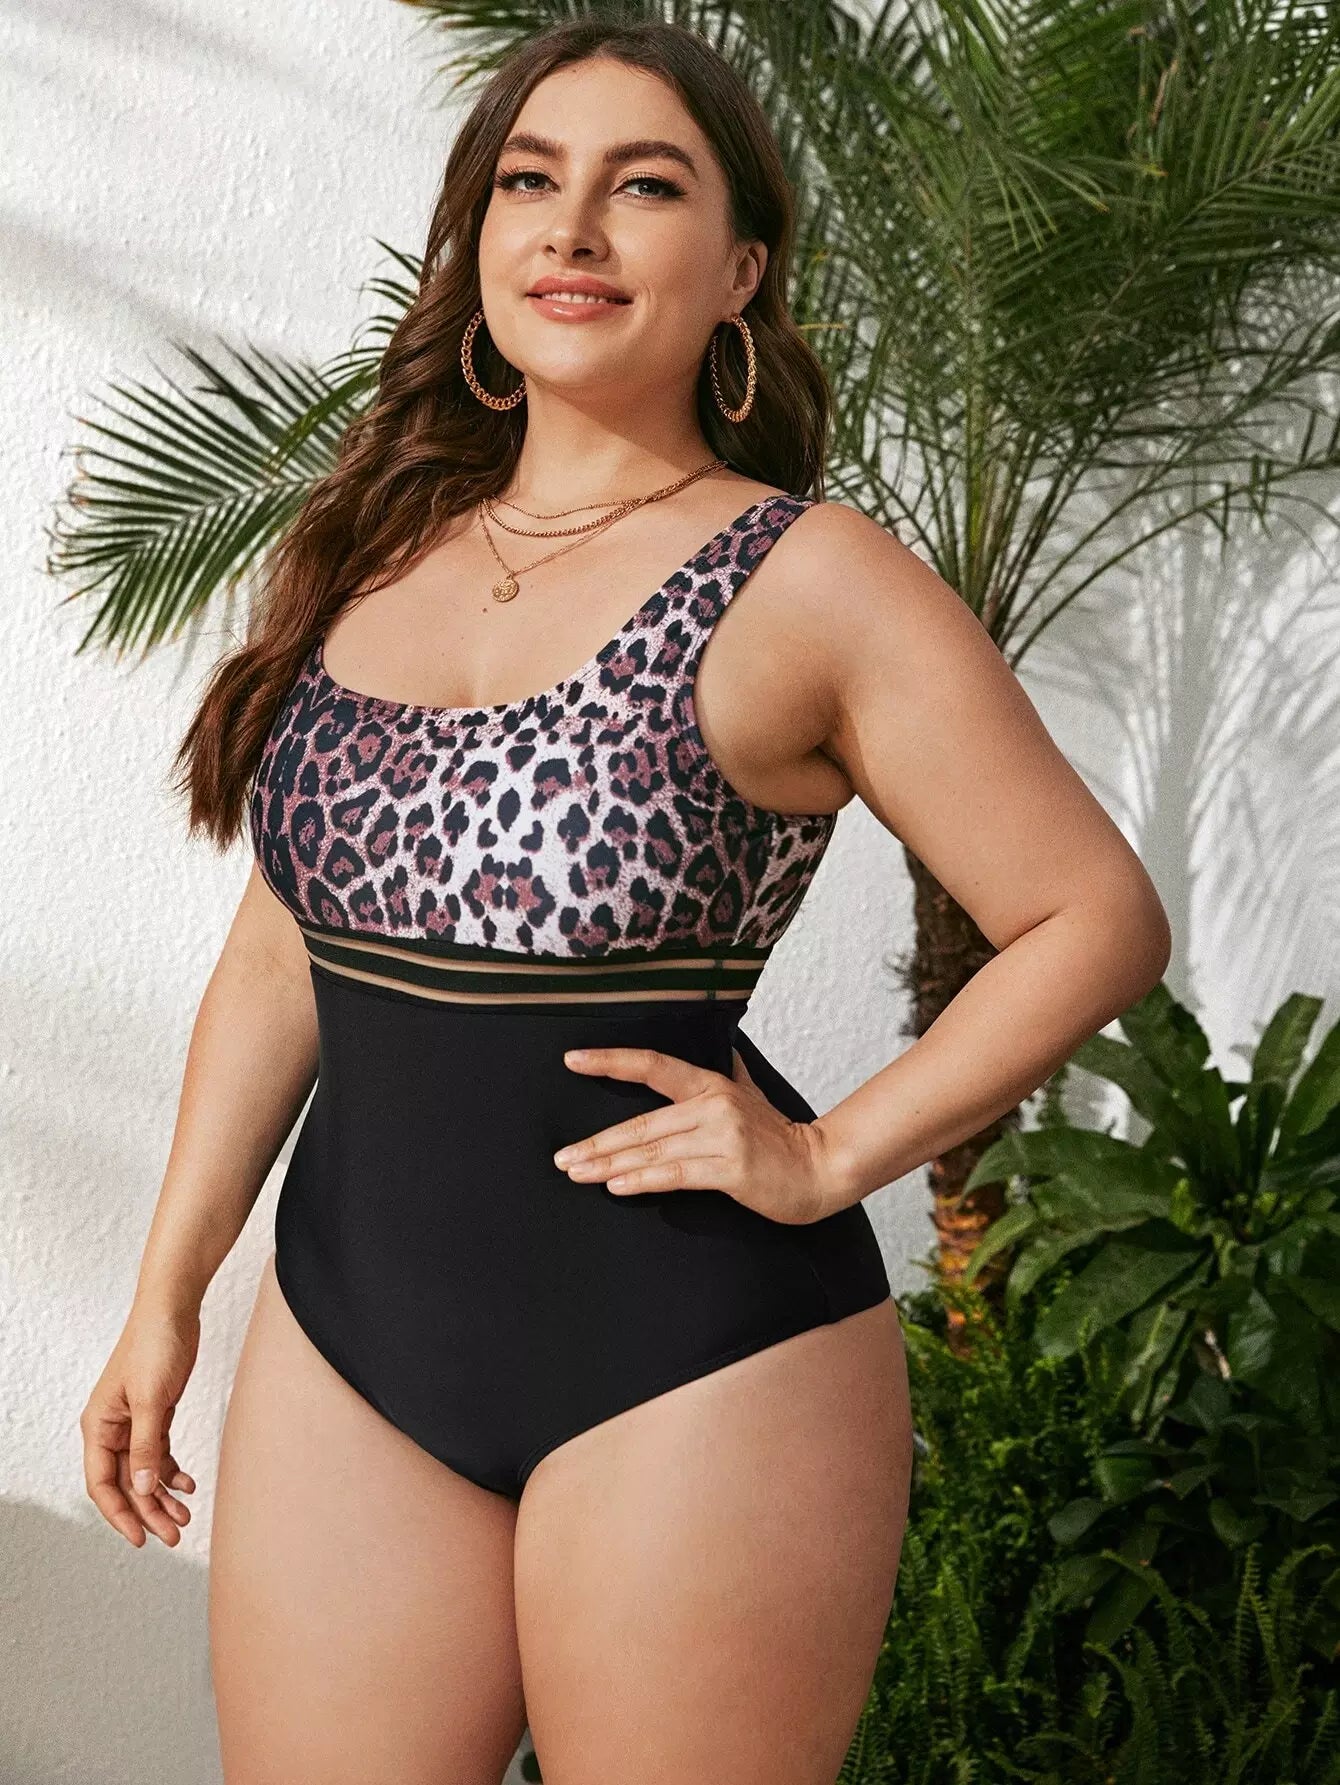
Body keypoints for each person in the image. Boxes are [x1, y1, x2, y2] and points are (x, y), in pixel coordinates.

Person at [78, 18, 1171, 1784]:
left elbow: (1093, 915)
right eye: (532, 181)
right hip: (354, 1341)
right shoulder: (370, 549)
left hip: (696, 1356)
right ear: (480, 240)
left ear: (742, 273)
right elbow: (283, 946)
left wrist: (826, 1155)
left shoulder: (808, 579)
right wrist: (167, 1286)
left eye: (643, 186)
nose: (573, 227)